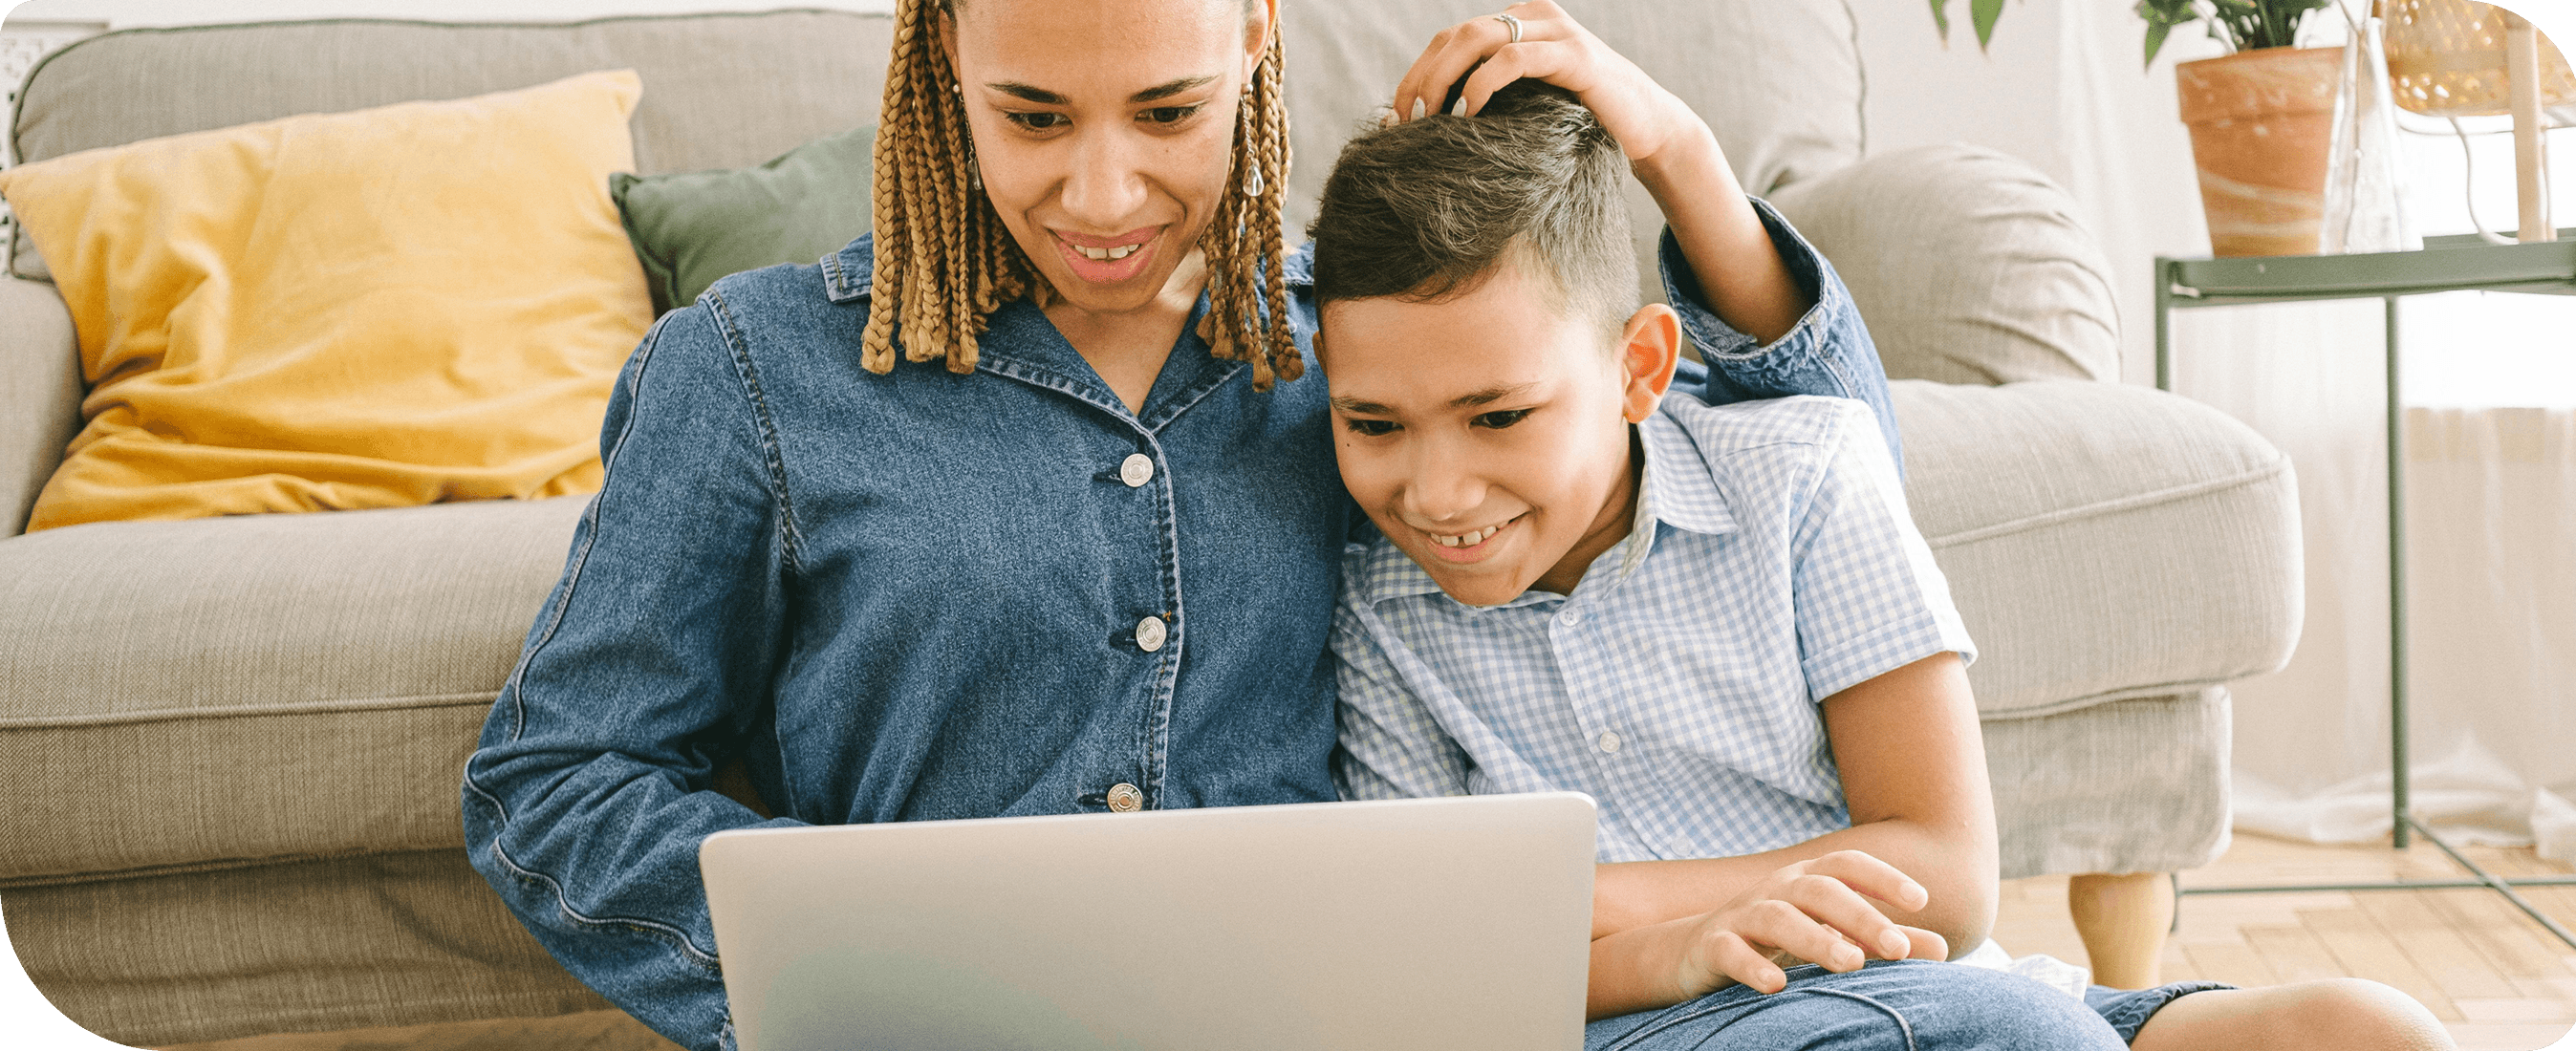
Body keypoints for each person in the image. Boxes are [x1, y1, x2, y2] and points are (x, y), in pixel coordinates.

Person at [457, 2, 1910, 1049]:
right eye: (1031, 116)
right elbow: (559, 776)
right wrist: (825, 988)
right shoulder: (755, 371)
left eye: (1168, 112)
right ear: (939, 56)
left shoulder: (1355, 354)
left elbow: (1827, 458)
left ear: (1255, 43)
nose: (1103, 195)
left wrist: (1671, 148)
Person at [1309, 63, 2457, 1051]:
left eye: (1498, 416)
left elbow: (1950, 881)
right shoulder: (1373, 601)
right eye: (1373, 424)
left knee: (2366, 1026)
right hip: (1648, 1017)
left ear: (1639, 369)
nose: (1438, 491)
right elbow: (1444, 966)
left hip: (1948, 995)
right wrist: (1667, 948)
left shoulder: (1804, 474)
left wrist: (1598, 900)